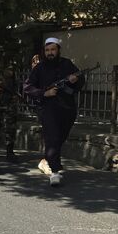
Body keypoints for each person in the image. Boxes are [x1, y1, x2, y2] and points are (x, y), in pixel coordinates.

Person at [24, 37, 84, 186]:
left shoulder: (67, 64)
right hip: (48, 108)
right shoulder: (40, 68)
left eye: (53, 50)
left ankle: (47, 160)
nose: (50, 53)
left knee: (60, 137)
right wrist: (44, 93)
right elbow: (27, 87)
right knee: (52, 138)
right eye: (47, 50)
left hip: (67, 108)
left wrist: (75, 80)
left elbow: (81, 80)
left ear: (58, 50)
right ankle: (55, 171)